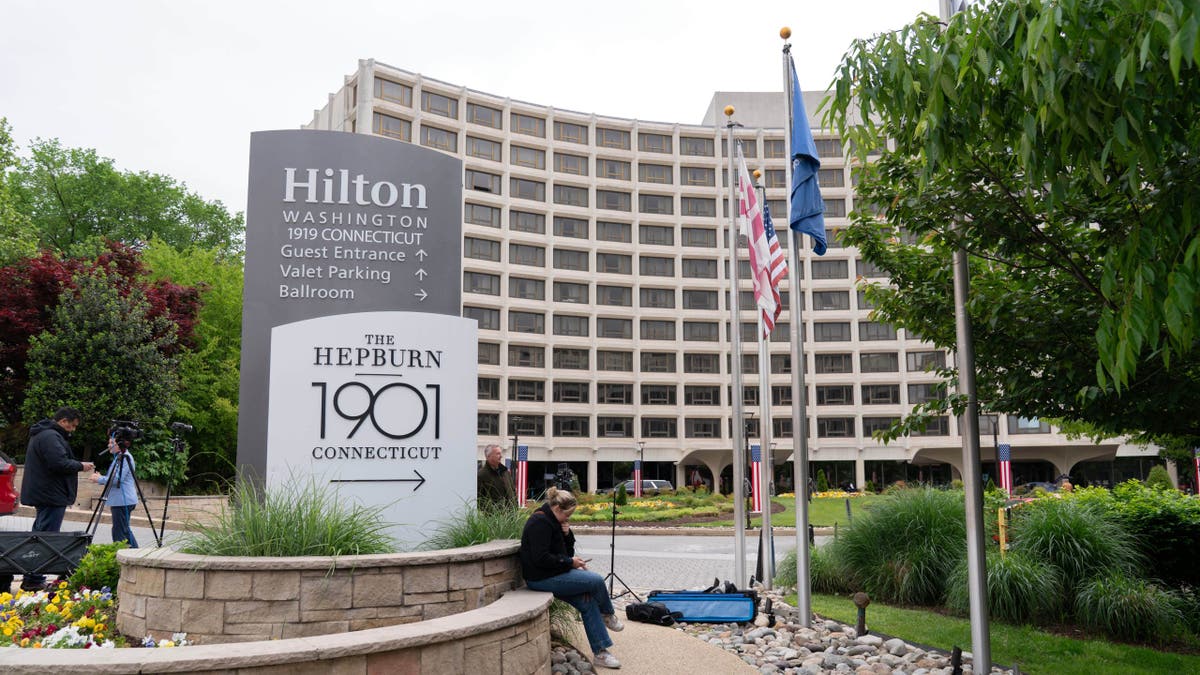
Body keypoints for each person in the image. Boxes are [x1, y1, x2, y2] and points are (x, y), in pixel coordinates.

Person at [520, 487, 623, 669]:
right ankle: (607, 614)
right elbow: (541, 558)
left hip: (554, 574)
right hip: (540, 578)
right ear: (558, 509)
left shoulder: (555, 521)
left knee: (588, 601)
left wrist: (567, 536)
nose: (569, 518)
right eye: (567, 515)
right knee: (596, 580)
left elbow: (566, 553)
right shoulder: (540, 522)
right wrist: (570, 563)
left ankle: (600, 653)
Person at [19, 406, 94, 591]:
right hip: (51, 495)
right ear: (63, 422)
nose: (73, 430)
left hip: (47, 493)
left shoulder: (45, 434)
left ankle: (32, 576)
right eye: (72, 426)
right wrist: (80, 465)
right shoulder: (50, 437)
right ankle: (34, 578)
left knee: (41, 533)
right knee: (46, 537)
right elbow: (58, 463)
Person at [90, 435, 139, 548]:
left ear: (120, 444)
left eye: (112, 443)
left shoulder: (125, 457)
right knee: (123, 530)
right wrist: (102, 477)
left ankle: (128, 555)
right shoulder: (120, 457)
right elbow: (114, 476)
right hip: (120, 500)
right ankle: (135, 554)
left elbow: (117, 479)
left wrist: (100, 479)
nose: (109, 445)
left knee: (120, 532)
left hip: (123, 500)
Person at [477, 443, 516, 509]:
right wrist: (491, 511)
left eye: (500, 453)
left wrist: (515, 507)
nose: (501, 456)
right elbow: (479, 498)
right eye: (498, 454)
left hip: (511, 516)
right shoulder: (481, 475)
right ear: (488, 456)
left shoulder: (505, 472)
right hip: (494, 517)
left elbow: (513, 491)